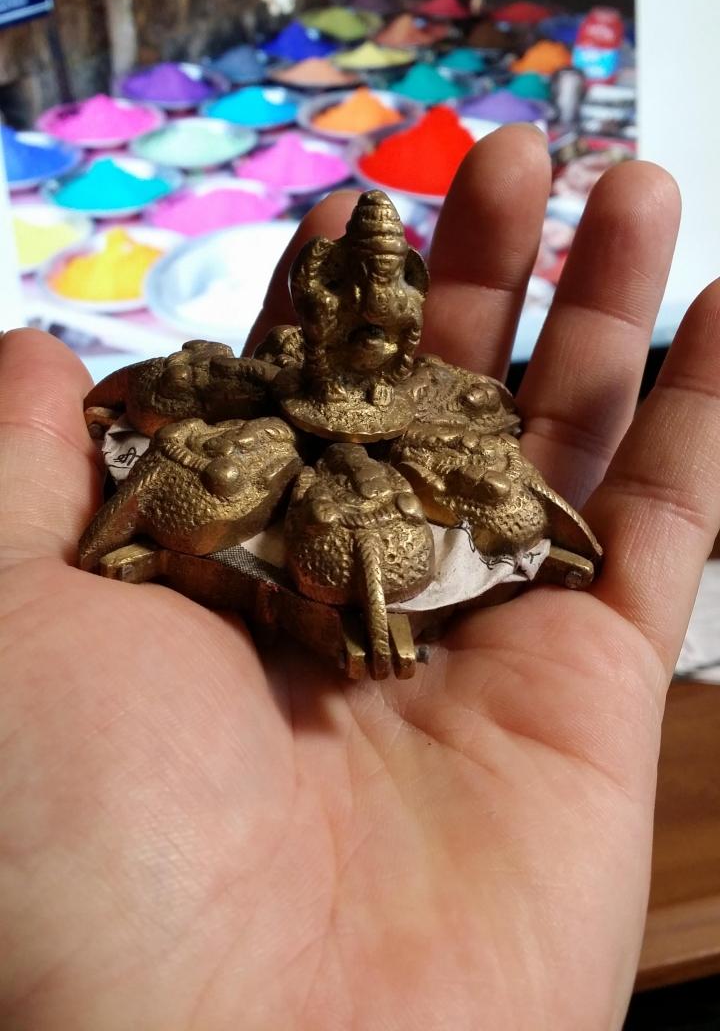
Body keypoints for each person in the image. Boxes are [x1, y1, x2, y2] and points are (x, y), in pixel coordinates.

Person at [0, 123, 718, 1030]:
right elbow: (164, 416)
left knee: (480, 497)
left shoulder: (446, 424)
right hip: (276, 458)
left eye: (393, 296)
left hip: (390, 494)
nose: (377, 314)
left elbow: (495, 468)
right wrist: (130, 526)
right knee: (217, 477)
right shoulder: (252, 427)